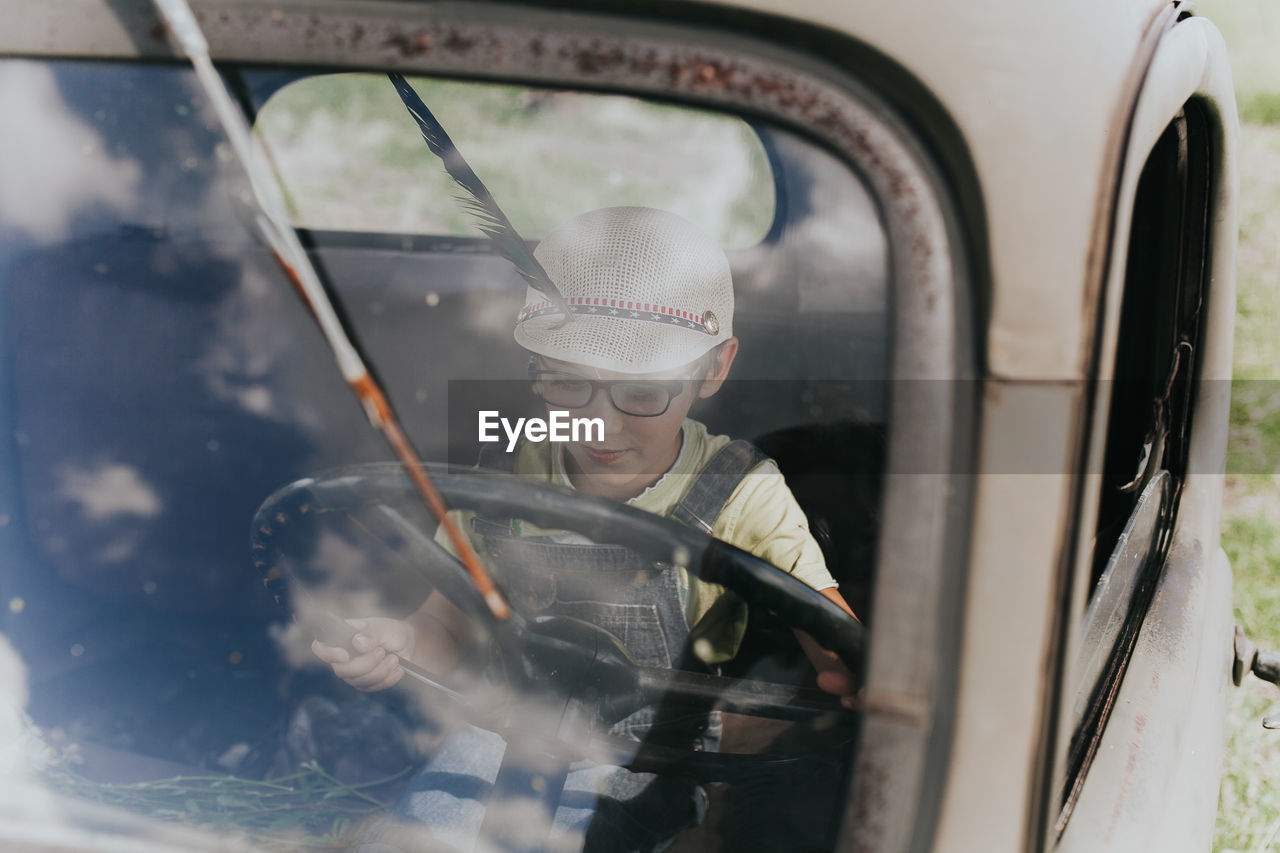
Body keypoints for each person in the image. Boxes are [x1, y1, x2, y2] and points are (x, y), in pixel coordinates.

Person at [311, 206, 858, 851]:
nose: (603, 423)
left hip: (653, 759)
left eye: (644, 392)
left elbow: (829, 630)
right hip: (499, 734)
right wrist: (397, 643)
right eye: (567, 382)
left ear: (713, 368)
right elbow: (445, 625)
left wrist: (856, 673)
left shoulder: (739, 489)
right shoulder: (506, 467)